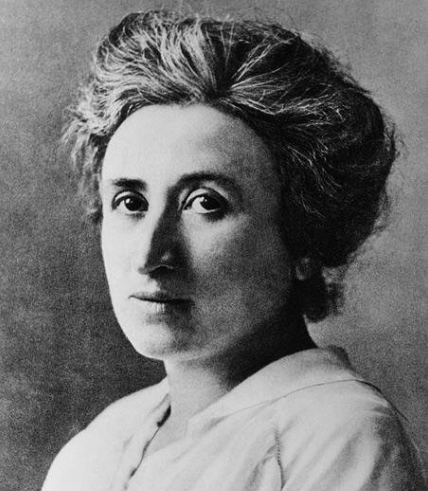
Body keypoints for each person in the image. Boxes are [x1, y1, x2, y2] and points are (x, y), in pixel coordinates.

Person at [42, 9, 425, 491]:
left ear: (305, 238)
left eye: (206, 203)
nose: (150, 255)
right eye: (131, 202)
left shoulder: (339, 435)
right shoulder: (100, 445)